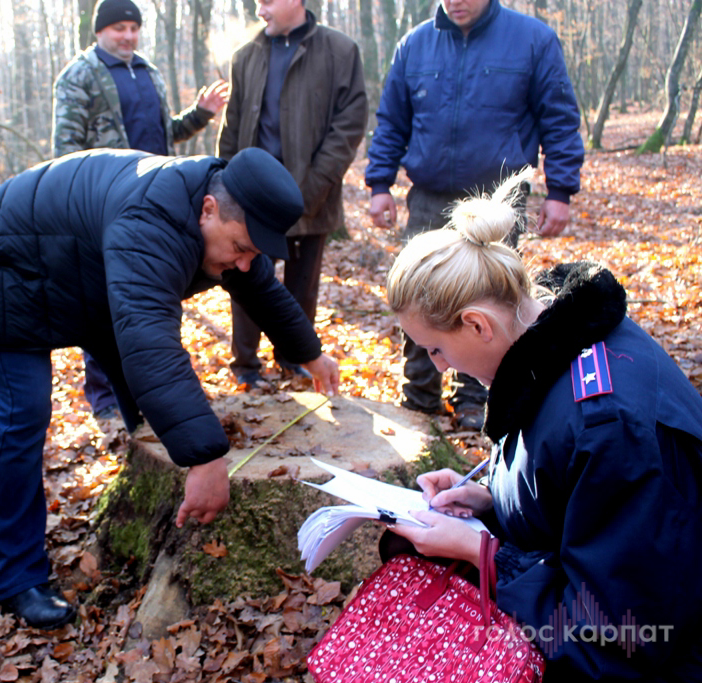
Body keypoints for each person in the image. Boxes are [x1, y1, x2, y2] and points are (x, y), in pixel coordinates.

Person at [0, 147, 340, 630]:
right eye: (241, 248)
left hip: (87, 276)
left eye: (253, 253)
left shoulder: (224, 212)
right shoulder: (151, 221)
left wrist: (310, 352)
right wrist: (205, 457)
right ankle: (17, 578)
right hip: (9, 265)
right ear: (208, 209)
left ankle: (144, 501)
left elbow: (260, 287)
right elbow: (149, 339)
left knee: (148, 412)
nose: (244, 263)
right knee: (24, 416)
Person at [381, 169, 702, 679]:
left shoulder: (610, 425)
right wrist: (490, 498)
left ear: (477, 324)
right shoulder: (551, 349)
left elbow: (621, 642)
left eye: (436, 349)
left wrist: (482, 552)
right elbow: (570, 497)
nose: (439, 367)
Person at [365, 0, 584, 429]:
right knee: (419, 294)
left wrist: (561, 190)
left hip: (495, 202)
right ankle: (420, 394)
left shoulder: (533, 40)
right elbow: (392, 120)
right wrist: (379, 184)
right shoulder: (415, 44)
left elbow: (559, 118)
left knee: (484, 300)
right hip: (428, 195)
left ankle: (477, 398)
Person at [52, 0, 230, 421]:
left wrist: (200, 115)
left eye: (133, 27)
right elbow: (66, 150)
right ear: (100, 32)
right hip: (104, 207)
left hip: (157, 206)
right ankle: (106, 400)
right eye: (118, 28)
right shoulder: (79, 76)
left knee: (155, 299)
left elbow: (164, 132)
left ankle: (152, 390)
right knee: (103, 302)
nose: (127, 36)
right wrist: (78, 212)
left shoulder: (148, 72)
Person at [218, 0, 367, 389]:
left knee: (302, 286)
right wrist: (227, 188)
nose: (259, 9)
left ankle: (294, 358)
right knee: (245, 278)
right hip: (249, 201)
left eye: (267, 1)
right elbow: (232, 130)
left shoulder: (339, 50)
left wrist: (313, 188)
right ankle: (246, 366)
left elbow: (349, 125)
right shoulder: (246, 56)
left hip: (312, 194)